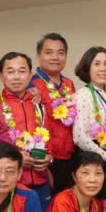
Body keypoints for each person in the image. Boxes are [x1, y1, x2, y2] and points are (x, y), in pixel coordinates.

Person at [0, 52, 53, 210]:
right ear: (1, 76)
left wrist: (49, 158)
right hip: (7, 184)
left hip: (40, 183)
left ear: (30, 75)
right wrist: (13, 158)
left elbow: (48, 142)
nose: (16, 77)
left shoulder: (39, 107)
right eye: (10, 72)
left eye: (22, 71)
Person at [72, 46, 106, 198]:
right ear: (87, 67)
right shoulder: (82, 95)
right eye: (97, 64)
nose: (103, 68)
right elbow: (79, 137)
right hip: (93, 160)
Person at [30, 33, 77, 192]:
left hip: (70, 155)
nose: (55, 57)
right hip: (46, 158)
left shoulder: (69, 84)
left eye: (60, 53)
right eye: (49, 52)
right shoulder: (31, 85)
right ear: (38, 56)